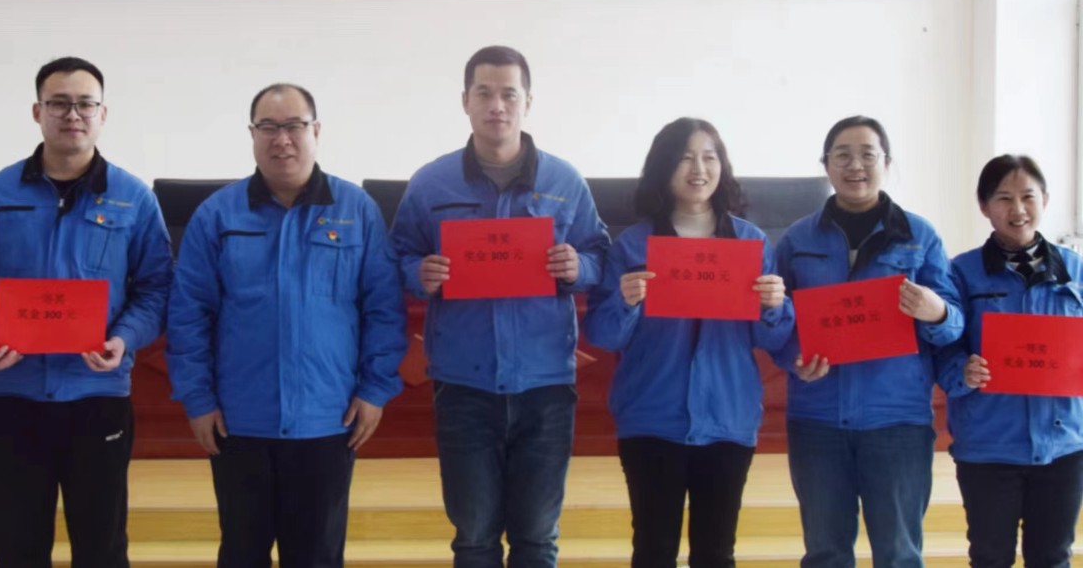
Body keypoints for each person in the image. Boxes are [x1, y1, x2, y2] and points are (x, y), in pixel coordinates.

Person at [166, 83, 406, 568]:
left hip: (329, 419)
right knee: (242, 554)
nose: (282, 139)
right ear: (252, 134)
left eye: (294, 126)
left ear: (316, 131)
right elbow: (189, 313)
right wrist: (197, 399)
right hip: (238, 421)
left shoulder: (356, 210)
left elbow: (383, 308)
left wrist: (375, 389)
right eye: (268, 127)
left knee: (317, 556)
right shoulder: (217, 214)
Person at [389, 45, 610, 567]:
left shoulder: (564, 182)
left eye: (509, 94)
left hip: (545, 384)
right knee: (474, 537)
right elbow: (395, 257)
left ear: (528, 102)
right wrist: (418, 275)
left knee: (537, 537)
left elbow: (600, 254)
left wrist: (579, 268)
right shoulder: (431, 182)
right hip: (464, 386)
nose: (497, 106)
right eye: (484, 93)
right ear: (465, 100)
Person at [0, 56, 173, 568]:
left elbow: (157, 286)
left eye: (85, 104)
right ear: (37, 111)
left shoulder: (133, 198)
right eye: (59, 103)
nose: (73, 114)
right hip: (15, 393)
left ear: (103, 113)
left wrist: (125, 337)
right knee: (16, 543)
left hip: (98, 394)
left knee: (101, 546)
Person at [584, 117, 793, 568]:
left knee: (716, 553)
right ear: (664, 169)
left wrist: (774, 305)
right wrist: (625, 301)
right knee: (653, 551)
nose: (699, 169)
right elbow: (602, 334)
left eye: (709, 157)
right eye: (685, 158)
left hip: (727, 418)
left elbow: (773, 339)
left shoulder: (751, 242)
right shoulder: (633, 245)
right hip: (651, 418)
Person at [773, 115, 963, 568]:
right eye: (842, 155)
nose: (855, 165)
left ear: (887, 163)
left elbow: (954, 325)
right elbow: (776, 319)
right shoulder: (797, 239)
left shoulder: (920, 235)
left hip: (896, 421)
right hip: (818, 419)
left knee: (898, 554)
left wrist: (935, 310)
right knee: (825, 553)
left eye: (867, 155)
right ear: (826, 165)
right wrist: (794, 357)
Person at [935, 154, 1083, 568]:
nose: (1018, 209)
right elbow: (943, 347)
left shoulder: (1076, 270)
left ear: (1045, 201)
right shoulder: (961, 272)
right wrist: (962, 372)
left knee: (1052, 557)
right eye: (1004, 198)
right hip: (988, 446)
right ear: (984, 206)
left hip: (1063, 446)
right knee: (990, 557)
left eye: (1028, 196)